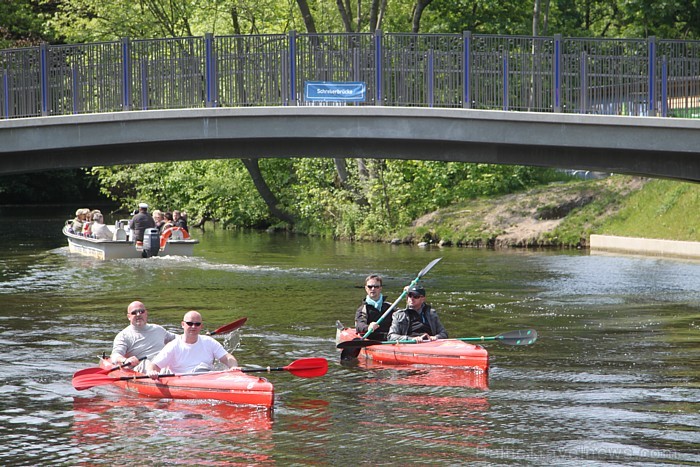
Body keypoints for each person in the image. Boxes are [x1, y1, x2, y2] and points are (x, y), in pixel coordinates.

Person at [145, 310, 238, 378]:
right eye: (189, 324)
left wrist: (234, 367)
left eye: (197, 324)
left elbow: (228, 358)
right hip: (183, 382)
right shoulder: (173, 346)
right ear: (182, 324)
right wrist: (151, 372)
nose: (193, 327)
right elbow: (154, 366)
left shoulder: (209, 342)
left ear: (201, 326)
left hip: (207, 378)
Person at [111, 301, 177, 372]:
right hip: (142, 367)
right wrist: (125, 360)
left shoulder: (158, 329)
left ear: (146, 313)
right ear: (129, 317)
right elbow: (115, 355)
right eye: (134, 312)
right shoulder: (123, 336)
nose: (138, 314)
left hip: (162, 363)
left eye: (141, 311)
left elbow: (180, 339)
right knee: (147, 364)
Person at [354, 274, 393, 341]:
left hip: (389, 339)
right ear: (366, 288)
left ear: (380, 288)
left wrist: (409, 294)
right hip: (372, 339)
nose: (373, 289)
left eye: (376, 286)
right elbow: (359, 326)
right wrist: (368, 327)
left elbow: (404, 316)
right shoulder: (363, 309)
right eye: (370, 286)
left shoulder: (390, 307)